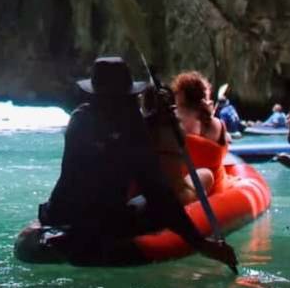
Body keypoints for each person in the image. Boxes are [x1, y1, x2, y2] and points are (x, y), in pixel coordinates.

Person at [35, 57, 238, 271]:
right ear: (125, 97)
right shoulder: (132, 128)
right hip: (106, 222)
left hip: (63, 213)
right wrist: (200, 243)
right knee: (153, 205)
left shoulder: (79, 119)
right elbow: (157, 192)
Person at [170, 71, 229, 201]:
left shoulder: (172, 123)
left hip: (188, 192)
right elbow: (224, 152)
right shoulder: (219, 124)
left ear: (180, 96)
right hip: (218, 190)